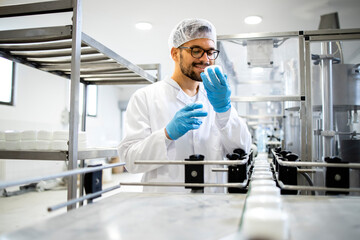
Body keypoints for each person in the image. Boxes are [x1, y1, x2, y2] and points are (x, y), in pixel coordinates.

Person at [118, 18, 251, 193]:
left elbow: (243, 150)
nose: (205, 59)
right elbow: (130, 161)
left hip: (213, 207)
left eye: (210, 52)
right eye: (196, 51)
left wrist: (224, 110)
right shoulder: (145, 98)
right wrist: (166, 135)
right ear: (175, 54)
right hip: (164, 210)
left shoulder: (216, 98)